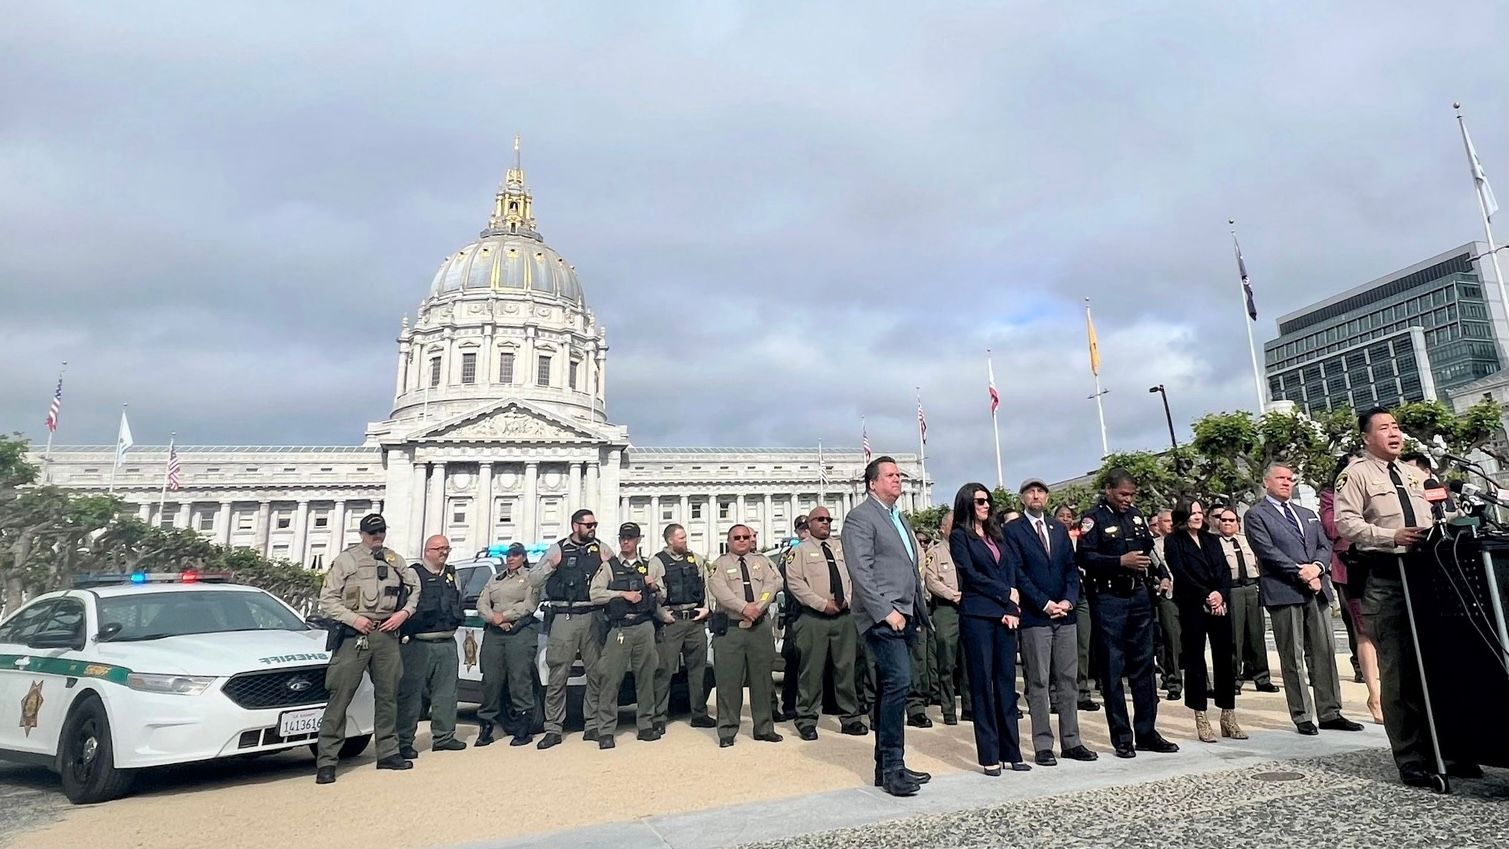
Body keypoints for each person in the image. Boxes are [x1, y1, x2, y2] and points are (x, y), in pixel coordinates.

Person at [1334, 408, 1479, 788]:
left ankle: (1447, 749)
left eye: (1396, 426)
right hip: (1385, 576)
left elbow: (1438, 512)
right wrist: (1389, 537)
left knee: (1436, 666)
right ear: (1367, 437)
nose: (1394, 433)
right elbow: (1345, 523)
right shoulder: (1356, 475)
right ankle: (1411, 760)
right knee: (1398, 673)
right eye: (1384, 428)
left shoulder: (1414, 475)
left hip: (1425, 575)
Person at [1246, 463, 1364, 736]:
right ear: (1267, 482)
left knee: (1324, 651)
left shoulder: (1306, 513)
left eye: (1290, 479)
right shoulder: (1256, 515)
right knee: (1293, 655)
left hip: (1317, 588)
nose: (1287, 483)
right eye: (1281, 479)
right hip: (1285, 590)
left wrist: (1318, 569)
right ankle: (1302, 714)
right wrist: (1301, 572)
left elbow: (1325, 545)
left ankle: (1331, 711)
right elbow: (1266, 551)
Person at [845, 457, 933, 796]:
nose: (898, 480)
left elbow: (910, 569)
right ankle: (893, 766)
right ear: (872, 483)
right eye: (891, 475)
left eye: (899, 475)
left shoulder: (900, 518)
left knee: (890, 687)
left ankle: (887, 765)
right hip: (882, 617)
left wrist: (917, 613)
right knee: (898, 682)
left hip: (906, 615)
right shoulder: (861, 518)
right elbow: (861, 570)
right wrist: (885, 611)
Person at [1076, 469, 1179, 759]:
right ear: (1108, 490)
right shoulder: (1093, 519)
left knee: (1144, 666)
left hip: (1139, 596)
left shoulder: (1135, 515)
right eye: (1123, 494)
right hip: (1109, 598)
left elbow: (1149, 548)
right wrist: (1119, 561)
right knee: (1112, 668)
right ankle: (1122, 736)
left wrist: (1163, 573)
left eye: (1131, 494)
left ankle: (1147, 731)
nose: (1127, 499)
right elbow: (1085, 557)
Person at [314, 513, 420, 784]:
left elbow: (414, 588)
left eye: (381, 531)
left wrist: (404, 614)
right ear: (362, 533)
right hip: (355, 634)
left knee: (388, 696)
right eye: (372, 532)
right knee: (340, 696)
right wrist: (354, 619)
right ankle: (327, 760)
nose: (377, 536)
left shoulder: (395, 560)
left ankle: (387, 752)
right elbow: (327, 599)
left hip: (386, 632)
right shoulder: (346, 560)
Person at [1004, 477, 1097, 767]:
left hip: (1065, 614)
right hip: (1036, 617)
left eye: (1040, 492)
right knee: (1039, 681)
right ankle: (1043, 743)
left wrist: (1069, 600)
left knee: (1068, 679)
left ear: (1046, 497)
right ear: (1022, 498)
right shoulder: (1013, 531)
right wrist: (1044, 603)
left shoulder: (1058, 529)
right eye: (1030, 492)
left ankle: (1072, 740)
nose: (1036, 495)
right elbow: (1017, 573)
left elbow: (1071, 568)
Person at [950, 482, 1030, 775]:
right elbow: (970, 575)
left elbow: (1010, 571)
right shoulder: (960, 536)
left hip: (1004, 615)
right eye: (979, 501)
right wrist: (1004, 593)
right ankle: (989, 754)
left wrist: (1011, 606)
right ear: (967, 504)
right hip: (978, 615)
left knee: (1007, 683)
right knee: (983, 684)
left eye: (988, 501)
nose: (985, 505)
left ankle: (1012, 751)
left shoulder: (998, 534)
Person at [1162, 498, 1244, 743]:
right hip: (1193, 605)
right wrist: (1207, 596)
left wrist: (1220, 593)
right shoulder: (1173, 542)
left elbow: (1223, 570)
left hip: (1219, 604)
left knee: (1225, 658)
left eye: (1200, 512)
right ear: (1182, 516)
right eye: (1192, 512)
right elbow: (1181, 573)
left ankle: (1228, 715)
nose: (1198, 516)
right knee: (1195, 660)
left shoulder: (1212, 539)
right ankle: (1201, 716)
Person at [785, 505, 868, 739]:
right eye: (820, 519)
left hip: (844, 617)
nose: (825, 523)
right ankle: (807, 719)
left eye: (828, 519)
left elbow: (854, 576)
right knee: (811, 671)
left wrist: (848, 600)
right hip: (814, 618)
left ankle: (850, 718)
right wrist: (822, 604)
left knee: (846, 669)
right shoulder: (799, 551)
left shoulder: (841, 548)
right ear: (809, 524)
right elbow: (795, 584)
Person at [530, 509, 608, 749]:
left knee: (596, 673)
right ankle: (553, 728)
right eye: (588, 524)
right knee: (558, 674)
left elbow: (617, 577)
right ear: (575, 526)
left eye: (594, 524)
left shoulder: (602, 549)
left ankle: (592, 724)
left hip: (594, 615)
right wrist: (550, 567)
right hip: (565, 615)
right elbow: (533, 580)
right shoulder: (558, 549)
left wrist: (609, 565)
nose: (593, 528)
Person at [588, 522, 664, 748]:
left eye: (630, 538)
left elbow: (662, 596)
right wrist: (622, 594)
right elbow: (595, 593)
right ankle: (606, 731)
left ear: (638, 540)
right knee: (610, 678)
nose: (626, 541)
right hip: (619, 628)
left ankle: (646, 725)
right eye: (623, 537)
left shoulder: (650, 565)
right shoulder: (609, 566)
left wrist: (654, 587)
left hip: (644, 626)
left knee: (646, 677)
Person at [707, 524, 784, 747]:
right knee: (729, 682)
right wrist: (743, 607)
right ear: (729, 540)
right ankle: (727, 730)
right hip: (731, 629)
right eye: (737, 537)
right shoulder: (719, 565)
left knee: (762, 680)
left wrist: (759, 605)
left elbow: (774, 582)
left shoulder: (762, 561)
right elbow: (719, 590)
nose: (742, 540)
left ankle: (764, 728)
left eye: (745, 537)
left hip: (759, 628)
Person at [1319, 455, 1383, 724]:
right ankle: (1375, 696)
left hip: (1384, 559)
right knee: (1364, 631)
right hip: (1352, 567)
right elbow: (1334, 528)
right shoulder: (1331, 495)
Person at [396, 534, 467, 759]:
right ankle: (404, 741)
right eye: (439, 549)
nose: (444, 552)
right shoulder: (413, 574)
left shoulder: (452, 575)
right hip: (419, 643)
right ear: (428, 551)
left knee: (446, 693)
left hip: (446, 641)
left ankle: (444, 737)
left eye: (447, 548)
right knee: (411, 695)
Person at [652, 524, 717, 732]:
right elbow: (651, 591)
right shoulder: (657, 562)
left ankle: (699, 713)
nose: (684, 541)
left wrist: (708, 608)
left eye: (685, 537)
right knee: (664, 670)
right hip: (672, 621)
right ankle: (658, 717)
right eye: (680, 538)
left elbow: (708, 585)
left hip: (695, 621)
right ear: (670, 540)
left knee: (698, 670)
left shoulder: (695, 559)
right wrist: (660, 613)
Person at [475, 543, 540, 747]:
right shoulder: (496, 578)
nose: (511, 558)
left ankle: (523, 725)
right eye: (508, 555)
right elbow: (481, 603)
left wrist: (505, 616)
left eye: (515, 554)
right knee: (491, 679)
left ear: (523, 557)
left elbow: (529, 604)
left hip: (519, 631)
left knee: (519, 678)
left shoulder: (531, 577)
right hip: (495, 632)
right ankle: (486, 725)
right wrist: (494, 618)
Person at [1213, 508, 1278, 695]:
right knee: (1234, 637)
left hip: (1252, 588)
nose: (1227, 523)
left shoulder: (1246, 540)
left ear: (1238, 522)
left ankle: (1262, 678)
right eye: (1223, 520)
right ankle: (1234, 679)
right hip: (1232, 590)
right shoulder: (1216, 543)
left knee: (1257, 635)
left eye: (1231, 520)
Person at [925, 510, 971, 725]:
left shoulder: (969, 549)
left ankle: (970, 707)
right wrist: (953, 595)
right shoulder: (935, 552)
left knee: (969, 660)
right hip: (946, 608)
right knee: (946, 661)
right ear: (942, 528)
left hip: (969, 608)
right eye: (952, 524)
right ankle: (948, 709)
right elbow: (931, 580)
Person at [1058, 504, 1099, 713]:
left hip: (1082, 596)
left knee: (1083, 646)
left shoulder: (1080, 539)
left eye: (1068, 516)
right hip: (1059, 599)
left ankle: (1082, 692)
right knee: (1061, 650)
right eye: (1061, 516)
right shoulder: (1051, 539)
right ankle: (1058, 693)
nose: (1065, 519)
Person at [1148, 510, 1182, 701]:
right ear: (1158, 523)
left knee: (1194, 640)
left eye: (1173, 521)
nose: (1170, 524)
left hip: (1188, 595)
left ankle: (1203, 682)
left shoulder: (1184, 541)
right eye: (1166, 521)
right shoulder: (1153, 545)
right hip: (1167, 596)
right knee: (1170, 641)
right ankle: (1173, 682)